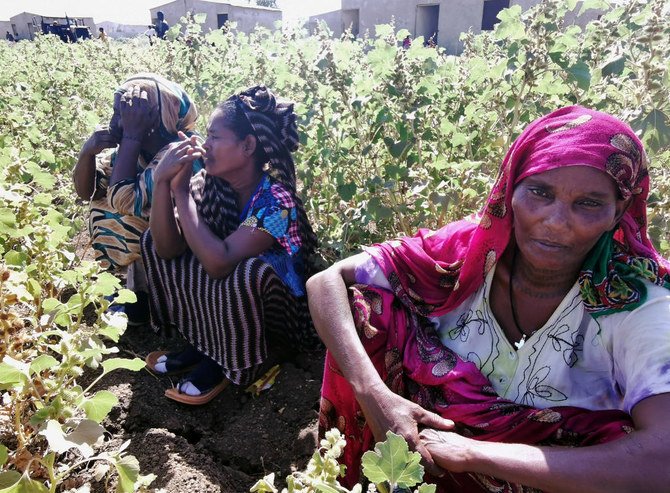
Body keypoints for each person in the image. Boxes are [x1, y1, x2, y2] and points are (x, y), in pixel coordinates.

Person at [307, 106, 670, 492]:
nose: (556, 220)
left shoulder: (637, 304)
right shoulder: (471, 253)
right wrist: (375, 396)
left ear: (619, 212)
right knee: (367, 305)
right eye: (540, 192)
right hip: (425, 456)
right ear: (510, 188)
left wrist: (471, 453)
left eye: (589, 203)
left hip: (543, 479)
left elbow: (662, 460)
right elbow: (327, 281)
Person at [142, 85, 320, 405]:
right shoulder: (210, 185)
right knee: (152, 240)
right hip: (227, 302)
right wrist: (163, 184)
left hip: (277, 315)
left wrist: (181, 195)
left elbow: (219, 262)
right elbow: (166, 250)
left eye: (214, 137)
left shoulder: (278, 202)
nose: (203, 144)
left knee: (245, 272)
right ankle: (205, 342)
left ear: (248, 145)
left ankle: (233, 362)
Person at [73, 73, 201, 325]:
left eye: (124, 114)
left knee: (131, 219)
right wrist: (87, 153)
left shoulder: (179, 150)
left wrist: (131, 136)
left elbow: (123, 200)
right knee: (103, 204)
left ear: (150, 120)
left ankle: (148, 302)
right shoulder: (135, 149)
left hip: (192, 251)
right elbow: (88, 192)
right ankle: (139, 293)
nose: (113, 123)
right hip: (170, 246)